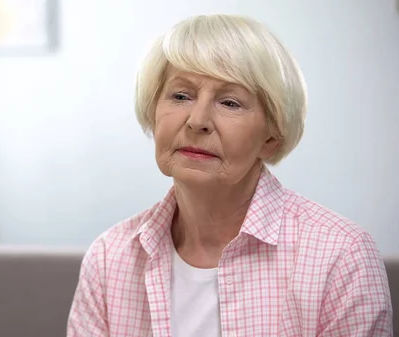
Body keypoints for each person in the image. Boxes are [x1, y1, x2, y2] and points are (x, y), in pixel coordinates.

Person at [67, 14, 392, 337]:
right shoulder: (110, 258)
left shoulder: (341, 256)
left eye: (230, 102)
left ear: (271, 137)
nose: (198, 121)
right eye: (181, 96)